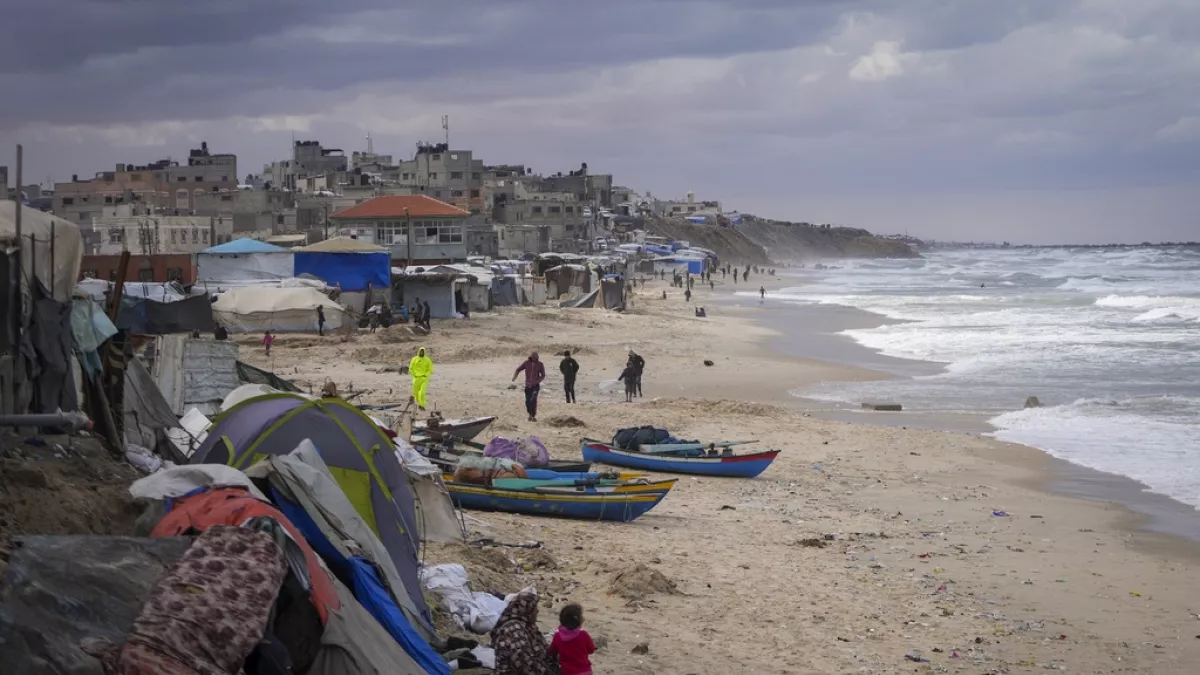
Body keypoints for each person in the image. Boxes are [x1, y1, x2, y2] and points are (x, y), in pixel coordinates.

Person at [492, 592, 557, 675]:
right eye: (534, 608)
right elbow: (525, 665)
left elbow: (545, 652)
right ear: (525, 609)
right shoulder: (512, 630)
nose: (537, 611)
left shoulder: (528, 627)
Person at [549, 603, 596, 675]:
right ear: (578, 620)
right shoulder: (583, 634)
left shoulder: (557, 636)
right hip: (585, 672)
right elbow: (591, 650)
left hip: (567, 672)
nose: (583, 618)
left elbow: (551, 651)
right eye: (581, 616)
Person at [512, 352, 546, 422]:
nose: (534, 359)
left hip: (535, 386)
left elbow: (543, 375)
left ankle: (533, 415)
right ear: (530, 357)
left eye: (535, 357)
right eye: (533, 357)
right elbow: (518, 369)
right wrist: (514, 377)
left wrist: (537, 381)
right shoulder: (526, 363)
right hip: (527, 386)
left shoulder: (540, 364)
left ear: (537, 358)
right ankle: (530, 415)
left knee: (533, 400)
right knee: (527, 401)